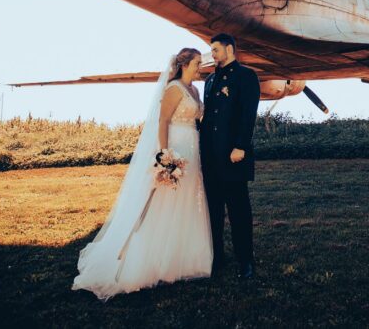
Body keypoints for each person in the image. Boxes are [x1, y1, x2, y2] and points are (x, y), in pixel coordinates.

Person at [72, 48, 212, 300]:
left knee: (188, 200)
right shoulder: (174, 89)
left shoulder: (194, 90)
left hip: (193, 147)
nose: (200, 66)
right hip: (176, 146)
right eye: (197, 62)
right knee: (164, 202)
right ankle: (151, 259)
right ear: (184, 65)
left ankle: (182, 257)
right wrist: (165, 154)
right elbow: (163, 121)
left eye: (200, 62)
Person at [200, 33, 261, 280]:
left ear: (229, 49)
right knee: (212, 211)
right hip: (210, 157)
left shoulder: (247, 76)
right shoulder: (210, 79)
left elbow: (248, 114)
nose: (211, 54)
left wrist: (240, 146)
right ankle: (217, 257)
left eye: (215, 50)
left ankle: (246, 260)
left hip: (233, 155)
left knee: (239, 211)